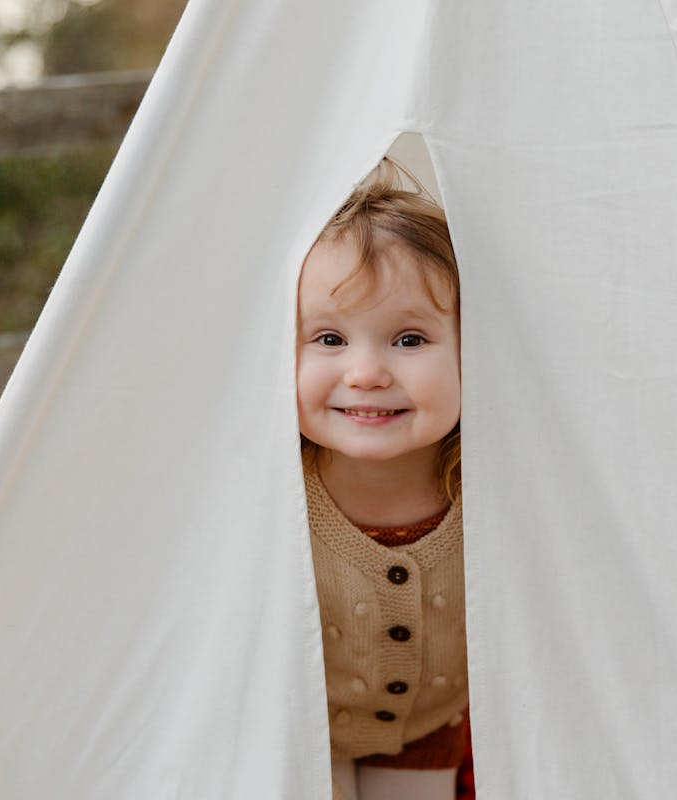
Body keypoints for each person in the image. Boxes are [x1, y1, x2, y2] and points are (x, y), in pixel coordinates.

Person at [296, 158, 469, 800]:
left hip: (429, 729)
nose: (366, 372)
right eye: (331, 338)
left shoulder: (493, 482)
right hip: (299, 725)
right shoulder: (269, 489)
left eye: (408, 339)